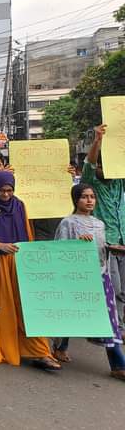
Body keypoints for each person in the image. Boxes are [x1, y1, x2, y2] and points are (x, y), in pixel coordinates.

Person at [0, 171, 61, 370]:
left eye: (10, 190)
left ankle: (41, 352)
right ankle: (3, 349)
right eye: (2, 191)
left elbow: (28, 234)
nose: (6, 195)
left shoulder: (20, 205)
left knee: (28, 307)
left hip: (21, 263)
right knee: (1, 308)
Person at [52, 184, 125, 380]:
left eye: (92, 196)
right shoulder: (68, 223)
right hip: (76, 279)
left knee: (109, 322)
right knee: (71, 316)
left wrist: (112, 249)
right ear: (76, 200)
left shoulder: (100, 224)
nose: (90, 200)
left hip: (100, 276)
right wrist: (77, 243)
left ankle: (118, 365)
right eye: (85, 197)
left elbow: (101, 250)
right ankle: (60, 347)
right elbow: (59, 250)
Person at [80, 125, 125, 323]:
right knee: (114, 288)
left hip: (122, 242)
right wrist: (98, 141)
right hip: (105, 245)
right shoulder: (92, 183)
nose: (104, 169)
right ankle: (116, 326)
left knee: (123, 290)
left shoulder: (119, 182)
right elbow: (89, 163)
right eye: (101, 165)